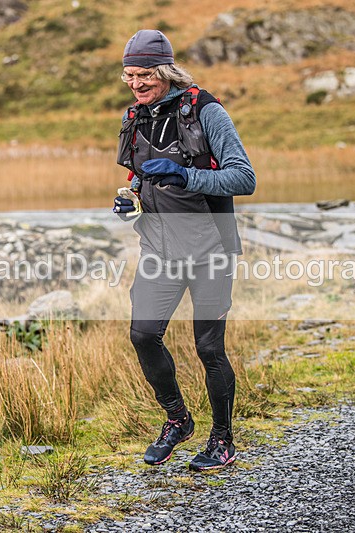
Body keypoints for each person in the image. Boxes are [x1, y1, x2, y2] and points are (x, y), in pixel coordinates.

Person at [113, 30, 256, 470]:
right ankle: (177, 419)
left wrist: (187, 177)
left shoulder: (206, 111)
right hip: (159, 246)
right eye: (130, 76)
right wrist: (129, 199)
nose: (137, 84)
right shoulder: (134, 117)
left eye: (145, 75)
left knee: (209, 349)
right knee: (142, 335)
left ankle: (222, 440)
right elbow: (141, 177)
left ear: (166, 71)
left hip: (210, 247)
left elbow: (243, 178)